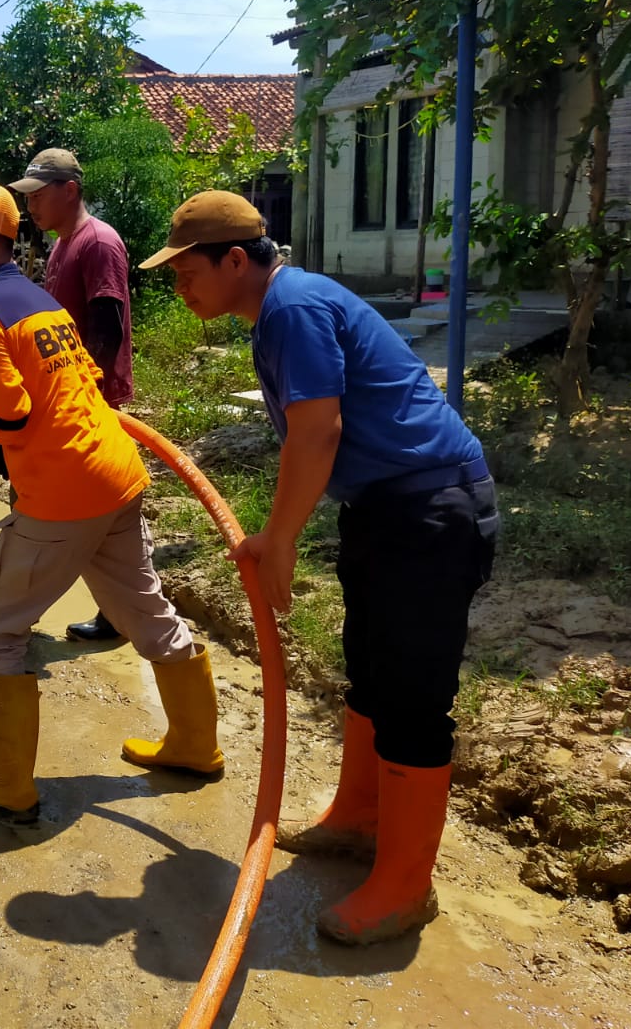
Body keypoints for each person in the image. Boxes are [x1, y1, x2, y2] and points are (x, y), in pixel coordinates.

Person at [138, 190, 498, 945]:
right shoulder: (280, 310)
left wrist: (280, 537)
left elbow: (317, 433)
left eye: (187, 273)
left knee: (410, 701)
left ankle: (406, 887)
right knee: (370, 674)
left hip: (432, 511)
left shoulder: (293, 309)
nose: (182, 289)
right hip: (387, 508)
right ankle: (360, 818)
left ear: (235, 260)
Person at [0, 179, 225, 821]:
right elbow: (44, 399)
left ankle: (3, 783)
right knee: (144, 608)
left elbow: (15, 417)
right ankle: (195, 744)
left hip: (65, 492)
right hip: (114, 472)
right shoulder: (38, 300)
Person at [11, 148, 134, 646]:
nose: (32, 206)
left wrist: (91, 392)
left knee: (81, 509)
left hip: (90, 400)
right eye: (29, 197)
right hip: (68, 397)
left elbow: (107, 325)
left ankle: (23, 610)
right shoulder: (63, 244)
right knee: (88, 512)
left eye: (40, 195)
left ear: (70, 191)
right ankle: (116, 612)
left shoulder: (98, 243)